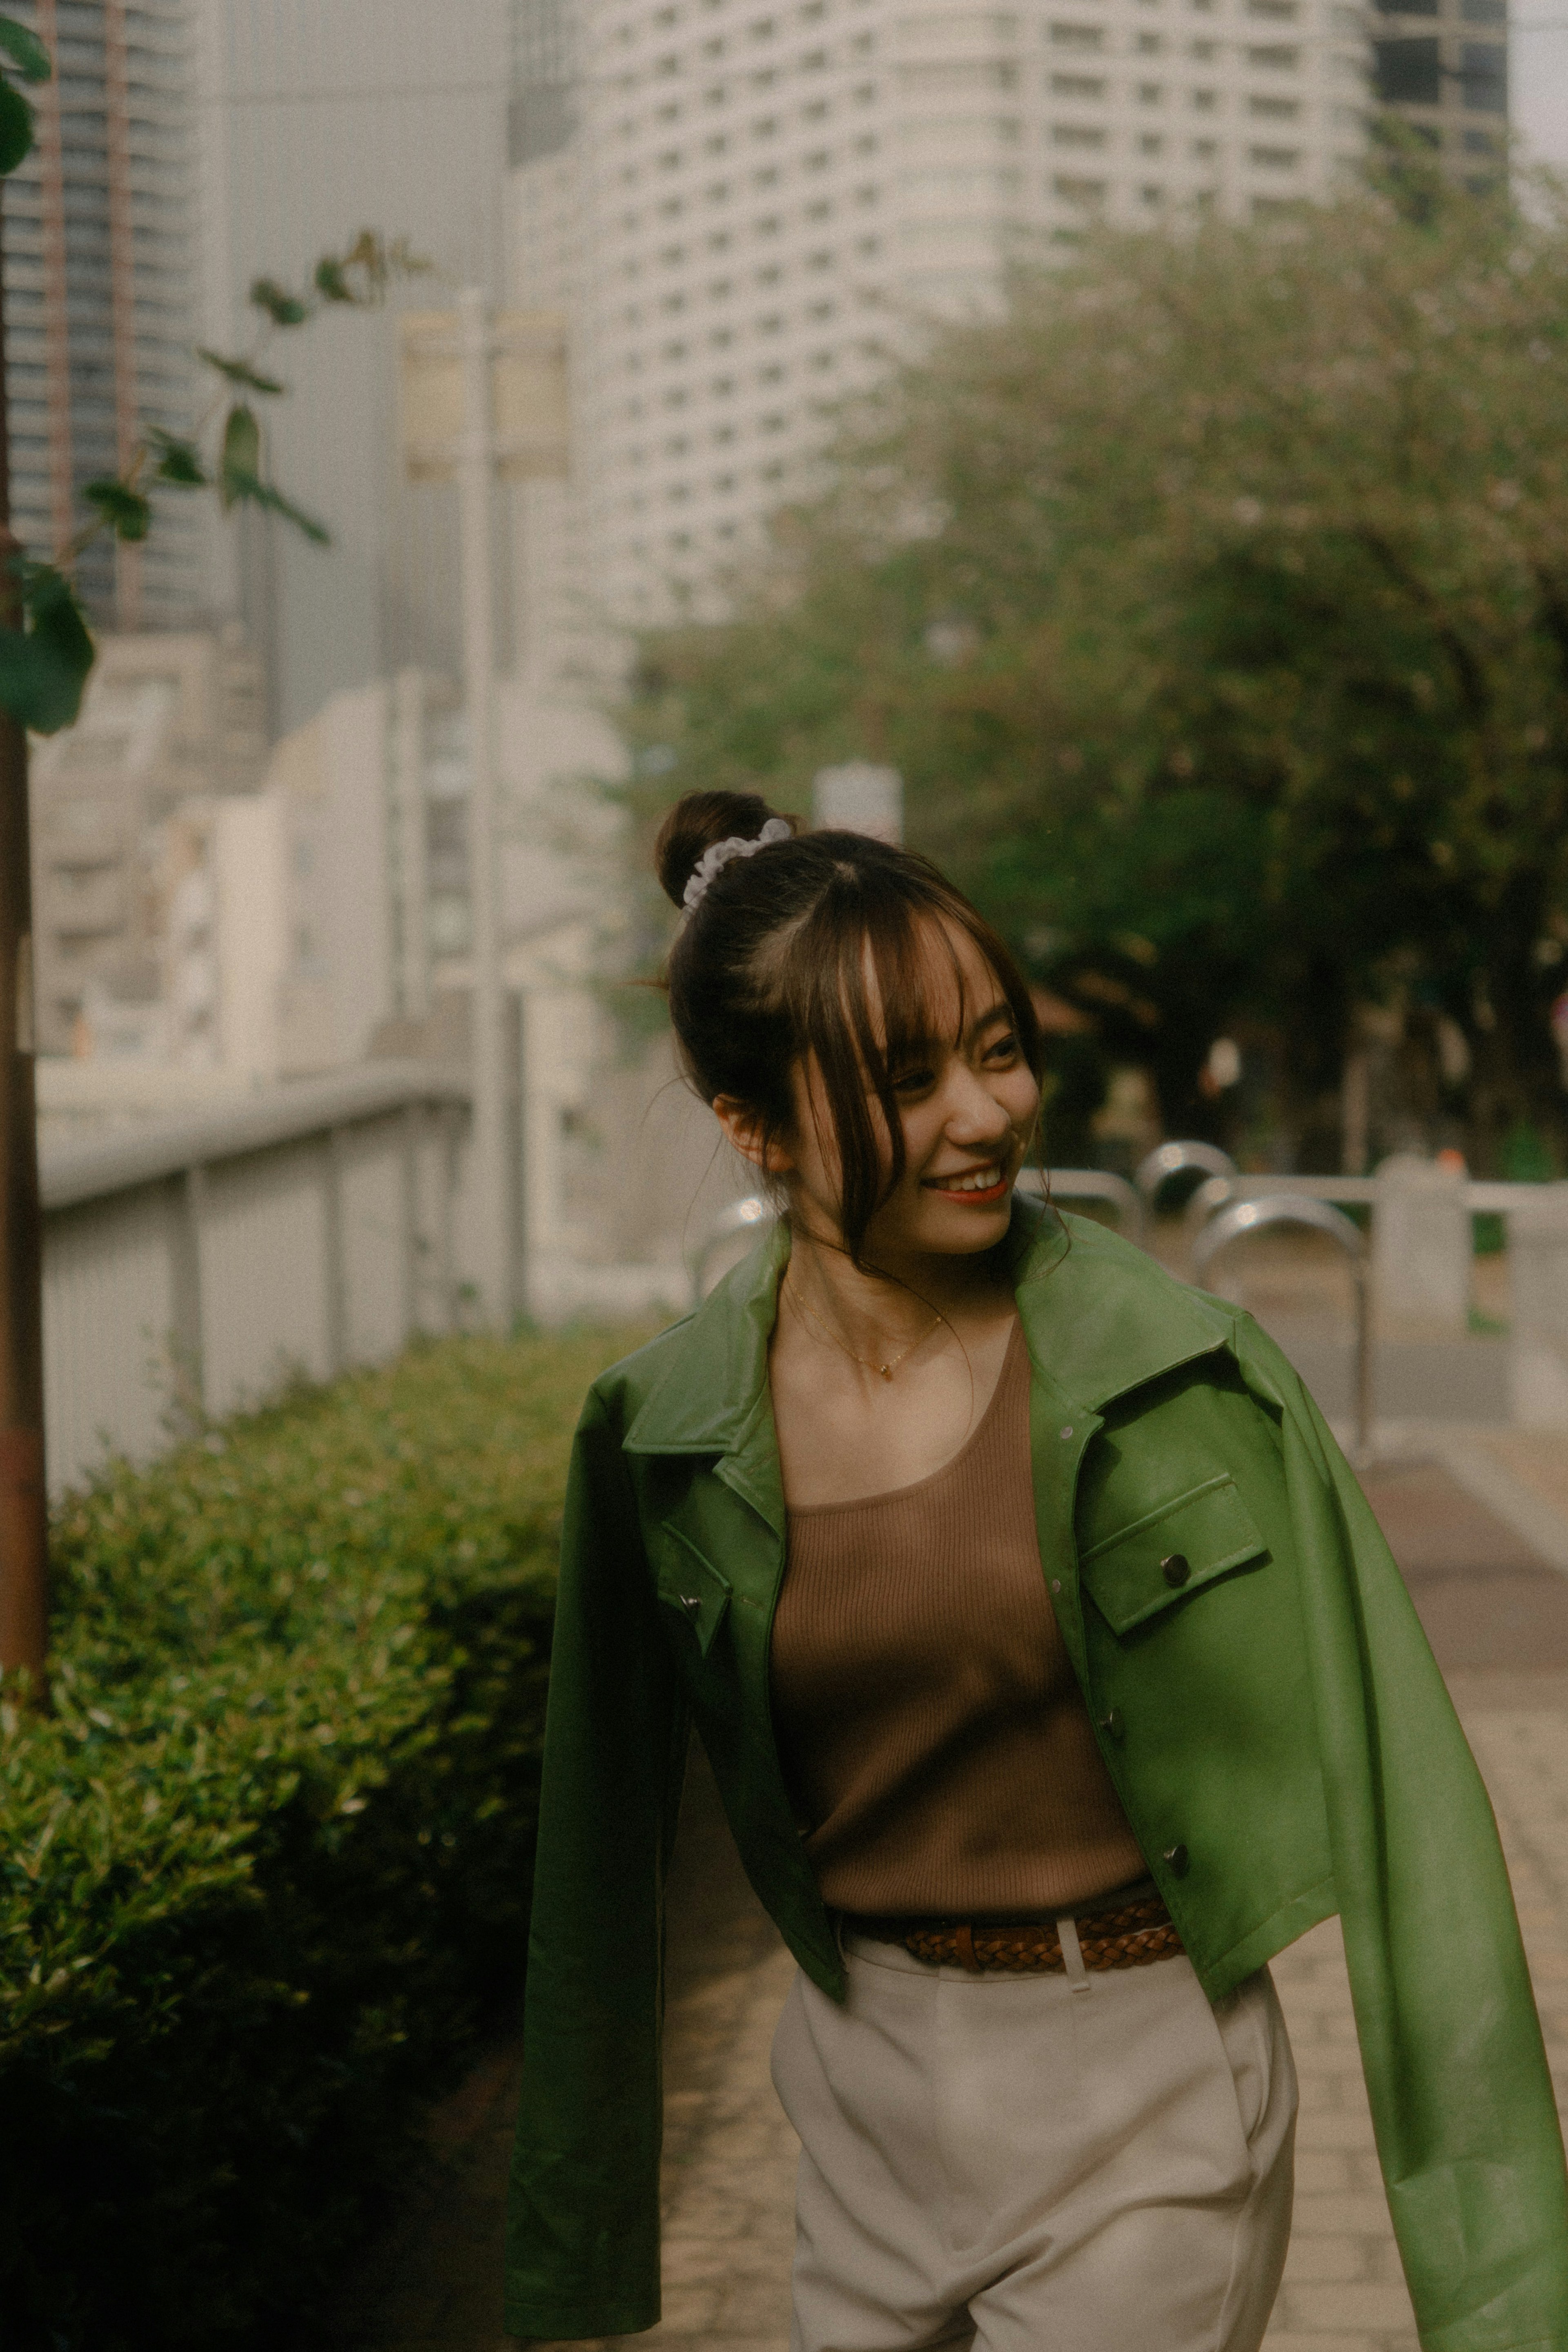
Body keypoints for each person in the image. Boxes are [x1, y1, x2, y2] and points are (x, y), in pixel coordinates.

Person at [506, 791, 1568, 2352]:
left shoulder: (1187, 1375)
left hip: (1140, 2088)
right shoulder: (656, 1433)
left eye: (999, 1050)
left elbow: (1416, 1819)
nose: (987, 1115)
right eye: (906, 1078)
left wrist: (1505, 2286)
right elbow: (594, 1865)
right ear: (757, 1126)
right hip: (859, 2087)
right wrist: (573, 2249)